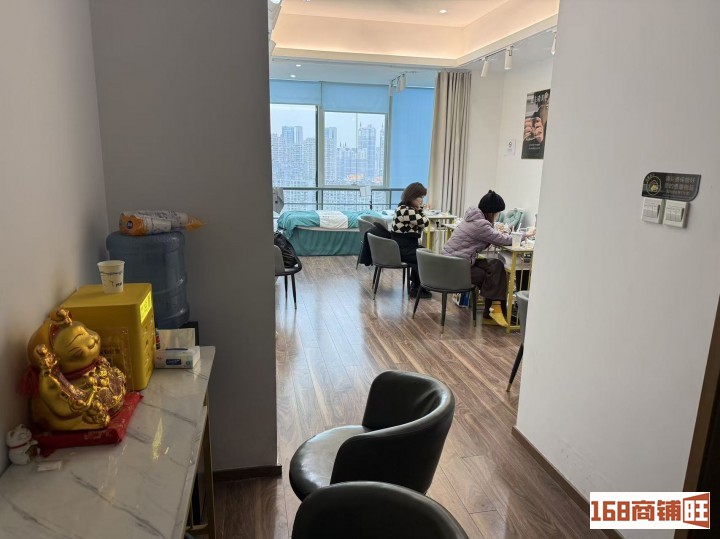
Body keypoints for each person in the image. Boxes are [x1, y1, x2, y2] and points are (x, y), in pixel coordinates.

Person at [442, 190, 532, 326]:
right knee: (492, 276)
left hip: (454, 262)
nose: (497, 216)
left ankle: (492, 311)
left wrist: (494, 231)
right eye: (497, 213)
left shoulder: (472, 219)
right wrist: (527, 234)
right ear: (491, 212)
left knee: (496, 265)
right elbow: (503, 240)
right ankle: (493, 311)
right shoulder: (481, 224)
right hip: (456, 268)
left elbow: (492, 236)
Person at [391, 182, 431, 298]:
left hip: (403, 246)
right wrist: (420, 209)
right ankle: (417, 288)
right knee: (425, 256)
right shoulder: (406, 210)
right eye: (420, 197)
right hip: (402, 248)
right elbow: (425, 222)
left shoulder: (403, 207)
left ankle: (417, 285)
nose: (422, 200)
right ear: (412, 196)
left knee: (425, 253)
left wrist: (418, 208)